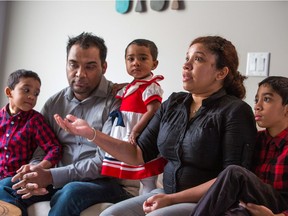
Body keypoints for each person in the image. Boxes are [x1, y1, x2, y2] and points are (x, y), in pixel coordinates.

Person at [31, 36, 257, 215]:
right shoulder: (174, 103)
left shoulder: (235, 111)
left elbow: (232, 180)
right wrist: (92, 134)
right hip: (167, 193)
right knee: (110, 215)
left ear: (221, 72)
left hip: (207, 201)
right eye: (186, 57)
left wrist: (170, 199)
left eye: (197, 59)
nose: (186, 64)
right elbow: (137, 154)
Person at [9, 32, 139, 216]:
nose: (80, 74)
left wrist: (52, 176)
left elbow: (105, 162)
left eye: (90, 66)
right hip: (58, 179)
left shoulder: (118, 101)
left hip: (107, 182)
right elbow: (41, 150)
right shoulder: (54, 103)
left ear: (104, 67)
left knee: (70, 192)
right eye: (73, 65)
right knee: (7, 185)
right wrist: (36, 170)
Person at [190, 76, 288, 216]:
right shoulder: (255, 139)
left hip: (279, 208)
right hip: (251, 205)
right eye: (256, 100)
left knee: (235, 172)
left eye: (266, 99)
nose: (257, 106)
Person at [101, 39, 167, 195]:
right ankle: (131, 197)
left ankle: (148, 199)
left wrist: (136, 130)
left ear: (154, 64)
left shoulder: (152, 86)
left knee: (146, 174)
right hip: (126, 131)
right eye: (131, 59)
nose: (136, 63)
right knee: (130, 171)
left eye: (143, 58)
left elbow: (153, 110)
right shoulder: (131, 86)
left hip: (142, 132)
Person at [0, 69, 62, 187]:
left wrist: (38, 168)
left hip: (18, 179)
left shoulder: (35, 120)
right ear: (9, 92)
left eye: (36, 93)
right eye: (26, 90)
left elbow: (55, 148)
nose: (32, 97)